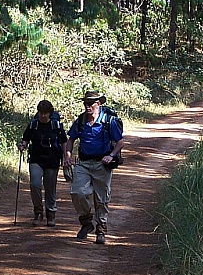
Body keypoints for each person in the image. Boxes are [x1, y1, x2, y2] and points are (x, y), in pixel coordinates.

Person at [62, 91, 124, 244]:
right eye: (85, 103)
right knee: (77, 193)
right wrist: (67, 156)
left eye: (90, 103)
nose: (87, 106)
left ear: (99, 104)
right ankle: (86, 222)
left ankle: (101, 230)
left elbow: (120, 141)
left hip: (102, 165)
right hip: (83, 164)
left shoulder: (109, 121)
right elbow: (71, 139)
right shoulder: (81, 120)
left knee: (101, 199)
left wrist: (111, 155)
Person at [17, 100, 68, 226]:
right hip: (36, 159)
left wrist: (67, 157)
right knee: (35, 184)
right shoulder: (33, 125)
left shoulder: (56, 125)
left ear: (50, 113)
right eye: (41, 113)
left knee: (50, 188)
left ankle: (51, 214)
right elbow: (26, 139)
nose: (43, 115)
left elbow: (64, 142)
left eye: (45, 113)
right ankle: (38, 211)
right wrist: (22, 145)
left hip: (52, 160)